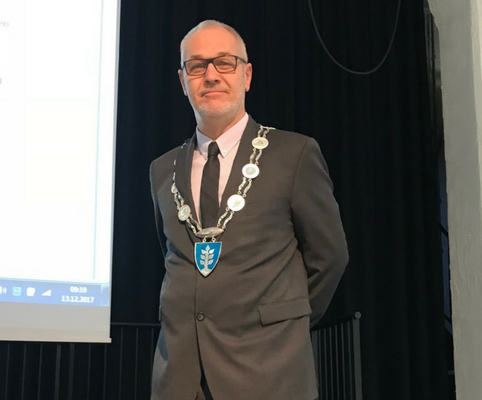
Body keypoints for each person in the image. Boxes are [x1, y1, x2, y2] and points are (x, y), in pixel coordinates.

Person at [149, 20, 349, 400]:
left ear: (247, 75)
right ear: (183, 81)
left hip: (269, 375)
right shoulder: (162, 170)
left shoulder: (294, 155)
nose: (211, 75)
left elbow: (330, 258)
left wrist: (282, 321)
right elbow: (174, 257)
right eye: (196, 66)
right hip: (179, 382)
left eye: (224, 62)